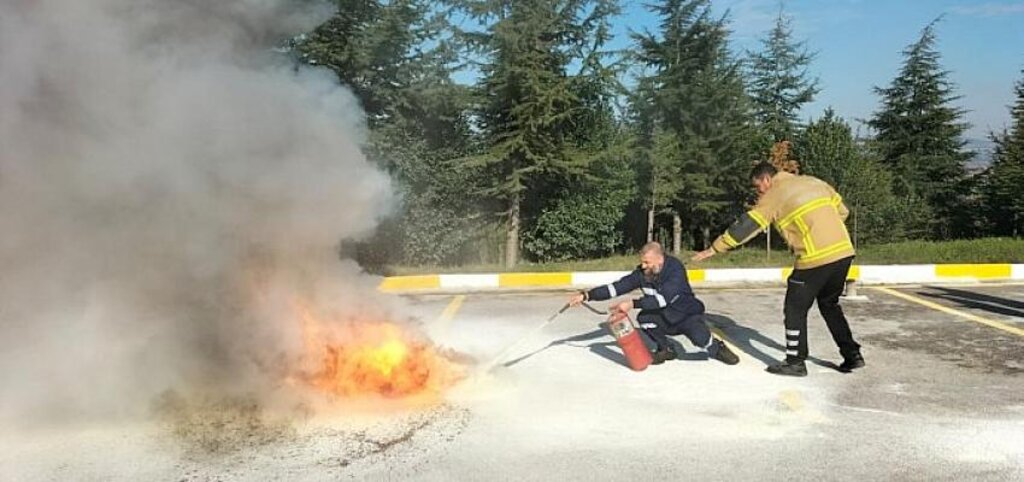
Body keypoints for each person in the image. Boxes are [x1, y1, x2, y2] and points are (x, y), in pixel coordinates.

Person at [692, 162, 865, 377]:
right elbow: (843, 211)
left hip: (815, 257)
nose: (759, 193)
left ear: (767, 179)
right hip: (844, 252)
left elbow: (747, 226)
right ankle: (852, 355)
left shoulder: (775, 194)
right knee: (829, 304)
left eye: (758, 187)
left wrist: (714, 248)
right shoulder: (814, 182)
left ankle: (795, 362)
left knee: (794, 308)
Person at [569, 242, 739, 366]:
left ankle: (717, 348)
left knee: (701, 340)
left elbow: (663, 299)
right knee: (645, 319)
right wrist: (586, 295)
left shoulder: (675, 269)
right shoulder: (643, 273)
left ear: (660, 259)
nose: (643, 266)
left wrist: (632, 303)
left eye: (647, 262)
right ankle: (665, 349)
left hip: (686, 315)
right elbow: (617, 287)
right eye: (642, 262)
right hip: (663, 315)